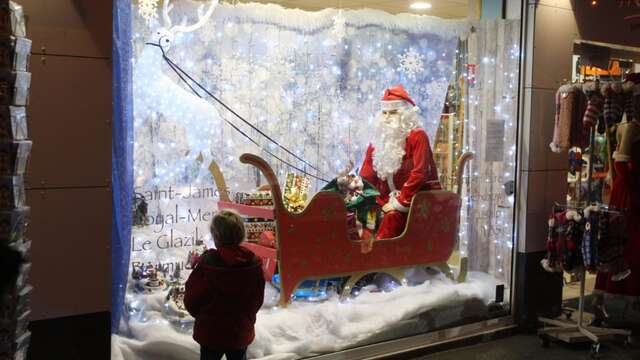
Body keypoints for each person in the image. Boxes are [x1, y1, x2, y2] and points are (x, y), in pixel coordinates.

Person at [359, 85, 441, 239]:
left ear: (405, 114)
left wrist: (399, 202)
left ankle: (381, 258)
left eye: (393, 112)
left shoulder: (418, 136)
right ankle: (364, 251)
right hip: (382, 199)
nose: (388, 118)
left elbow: (419, 173)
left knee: (391, 218)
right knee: (366, 216)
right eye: (384, 113)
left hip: (413, 201)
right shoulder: (379, 139)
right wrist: (365, 198)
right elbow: (367, 173)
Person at [184, 210, 265, 360]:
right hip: (240, 331)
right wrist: (246, 317)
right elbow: (257, 299)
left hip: (210, 332)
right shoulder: (253, 264)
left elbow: (191, 299)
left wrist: (203, 316)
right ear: (241, 233)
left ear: (215, 236)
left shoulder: (207, 265)